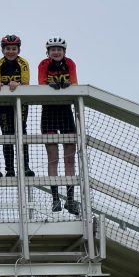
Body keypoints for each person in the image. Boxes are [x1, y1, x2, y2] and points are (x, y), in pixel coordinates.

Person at [38, 37, 80, 214]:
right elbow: (41, 83)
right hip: (49, 112)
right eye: (52, 49)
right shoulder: (44, 64)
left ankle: (70, 200)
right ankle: (55, 199)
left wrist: (67, 84)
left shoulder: (69, 63)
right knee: (52, 157)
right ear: (48, 52)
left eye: (59, 49)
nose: (56, 52)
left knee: (69, 158)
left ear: (64, 52)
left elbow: (74, 82)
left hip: (65, 112)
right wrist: (50, 84)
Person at [0, 34, 35, 177]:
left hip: (20, 103)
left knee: (21, 131)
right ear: (2, 50)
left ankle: (25, 167)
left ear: (19, 50)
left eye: (14, 48)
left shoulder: (23, 63)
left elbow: (25, 82)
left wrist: (18, 84)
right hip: (3, 104)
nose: (11, 51)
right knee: (7, 134)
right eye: (8, 49)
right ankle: (9, 169)